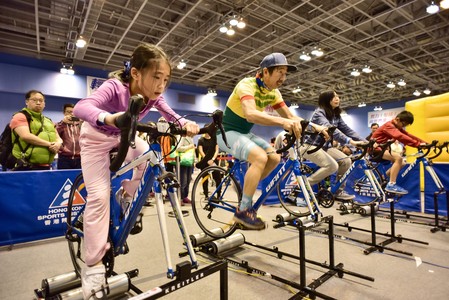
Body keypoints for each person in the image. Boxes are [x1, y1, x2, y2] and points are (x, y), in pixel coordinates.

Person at [73, 43, 199, 299]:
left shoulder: (154, 97)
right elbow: (81, 108)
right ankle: (93, 268)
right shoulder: (114, 87)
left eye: (165, 79)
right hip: (96, 140)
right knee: (98, 196)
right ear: (136, 74)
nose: (161, 84)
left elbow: (172, 115)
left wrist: (186, 123)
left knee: (149, 157)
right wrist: (110, 118)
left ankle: (126, 198)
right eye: (156, 77)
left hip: (125, 138)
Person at [216, 52, 328, 230]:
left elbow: (291, 116)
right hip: (226, 133)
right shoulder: (247, 84)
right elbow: (250, 114)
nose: (283, 78)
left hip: (244, 134)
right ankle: (244, 210)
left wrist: (316, 127)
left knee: (274, 158)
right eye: (280, 73)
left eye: (285, 74)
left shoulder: (274, 92)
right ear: (265, 72)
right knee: (260, 158)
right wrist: (283, 122)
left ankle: (247, 192)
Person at [298, 90, 366, 200]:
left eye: (338, 96)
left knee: (346, 161)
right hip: (310, 146)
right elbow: (331, 129)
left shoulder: (336, 115)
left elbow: (347, 130)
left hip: (325, 147)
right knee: (331, 166)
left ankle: (338, 191)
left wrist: (364, 141)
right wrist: (349, 141)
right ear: (326, 100)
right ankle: (304, 185)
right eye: (333, 97)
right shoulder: (319, 113)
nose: (337, 99)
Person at [371, 110, 427, 194]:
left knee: (402, 163)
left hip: (382, 149)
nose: (403, 127)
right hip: (374, 150)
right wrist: (417, 144)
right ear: (397, 119)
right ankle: (391, 184)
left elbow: (407, 135)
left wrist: (424, 142)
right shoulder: (389, 126)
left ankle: (383, 179)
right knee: (398, 158)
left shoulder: (396, 125)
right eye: (403, 124)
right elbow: (400, 136)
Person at [9, 90, 62, 171]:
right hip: (25, 166)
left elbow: (58, 138)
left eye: (41, 100)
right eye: (34, 100)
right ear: (27, 102)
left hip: (46, 166)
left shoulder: (48, 120)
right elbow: (26, 136)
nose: (38, 103)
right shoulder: (20, 116)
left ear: (44, 103)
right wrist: (49, 144)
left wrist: (58, 144)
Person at [55, 103, 81, 169]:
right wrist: (63, 123)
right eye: (69, 112)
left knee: (79, 178)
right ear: (64, 113)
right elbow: (55, 134)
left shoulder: (80, 125)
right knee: (63, 178)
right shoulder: (60, 125)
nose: (71, 114)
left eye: (73, 112)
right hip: (64, 158)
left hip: (79, 158)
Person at [196, 132, 221, 199]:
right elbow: (200, 151)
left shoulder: (214, 139)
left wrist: (212, 159)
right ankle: (206, 195)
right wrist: (206, 159)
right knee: (205, 178)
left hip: (213, 161)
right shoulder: (201, 140)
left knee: (218, 178)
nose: (207, 133)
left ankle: (219, 195)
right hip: (204, 161)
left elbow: (216, 150)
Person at [175, 135, 195, 205]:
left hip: (189, 161)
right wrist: (189, 147)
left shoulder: (190, 137)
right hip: (182, 161)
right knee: (182, 181)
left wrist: (194, 161)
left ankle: (184, 197)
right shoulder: (181, 136)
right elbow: (177, 148)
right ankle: (179, 198)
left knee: (188, 180)